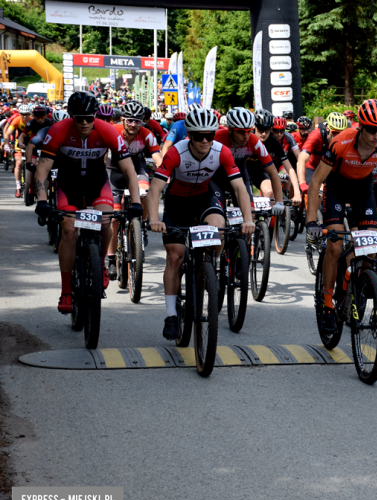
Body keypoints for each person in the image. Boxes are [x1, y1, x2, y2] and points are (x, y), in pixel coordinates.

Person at [305, 99, 377, 333]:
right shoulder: (340, 142)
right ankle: (327, 303)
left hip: (363, 189)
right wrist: (311, 222)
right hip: (336, 188)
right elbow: (316, 179)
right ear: (361, 127)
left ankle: (361, 286)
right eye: (372, 130)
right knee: (335, 245)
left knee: (370, 249)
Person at [147, 108, 255, 340]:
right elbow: (156, 187)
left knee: (218, 233)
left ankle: (205, 269)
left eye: (210, 135)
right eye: (199, 136)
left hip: (203, 197)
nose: (205, 140)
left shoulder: (222, 151)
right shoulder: (176, 152)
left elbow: (238, 187)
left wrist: (248, 219)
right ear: (190, 135)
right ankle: (171, 315)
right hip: (177, 201)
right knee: (175, 256)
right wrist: (153, 218)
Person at [33, 91, 142, 313]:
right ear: (70, 115)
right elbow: (42, 168)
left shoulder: (107, 130)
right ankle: (66, 291)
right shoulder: (58, 130)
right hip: (68, 184)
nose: (84, 122)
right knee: (69, 231)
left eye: (89, 117)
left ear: (95, 116)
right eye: (79, 117)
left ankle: (99, 263)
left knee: (105, 222)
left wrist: (137, 203)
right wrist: (42, 201)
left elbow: (130, 170)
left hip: (96, 183)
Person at [105, 101, 163, 280]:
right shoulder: (112, 131)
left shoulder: (147, 134)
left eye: (138, 121)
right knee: (114, 218)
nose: (133, 125)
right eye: (130, 121)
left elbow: (157, 156)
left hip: (137, 170)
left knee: (145, 192)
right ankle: (112, 259)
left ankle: (141, 226)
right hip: (113, 171)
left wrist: (165, 173)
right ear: (122, 119)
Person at [215, 107, 286, 213]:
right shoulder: (217, 138)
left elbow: (272, 172)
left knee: (250, 214)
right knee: (218, 217)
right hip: (217, 177)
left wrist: (279, 201)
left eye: (248, 131)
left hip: (240, 175)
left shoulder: (254, 140)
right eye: (240, 132)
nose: (245, 136)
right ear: (230, 129)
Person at [297, 112, 350, 193]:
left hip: (328, 168)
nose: (338, 137)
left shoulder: (346, 138)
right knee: (321, 189)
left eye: (341, 134)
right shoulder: (316, 135)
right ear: (328, 129)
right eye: (335, 133)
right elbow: (301, 159)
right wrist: (302, 183)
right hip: (312, 168)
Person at [3, 104, 31, 197]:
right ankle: (18, 187)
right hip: (18, 143)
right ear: (19, 113)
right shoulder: (16, 120)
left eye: (26, 114)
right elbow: (7, 133)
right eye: (22, 114)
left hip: (31, 144)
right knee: (18, 163)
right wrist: (6, 144)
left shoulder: (33, 121)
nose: (24, 116)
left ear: (30, 114)